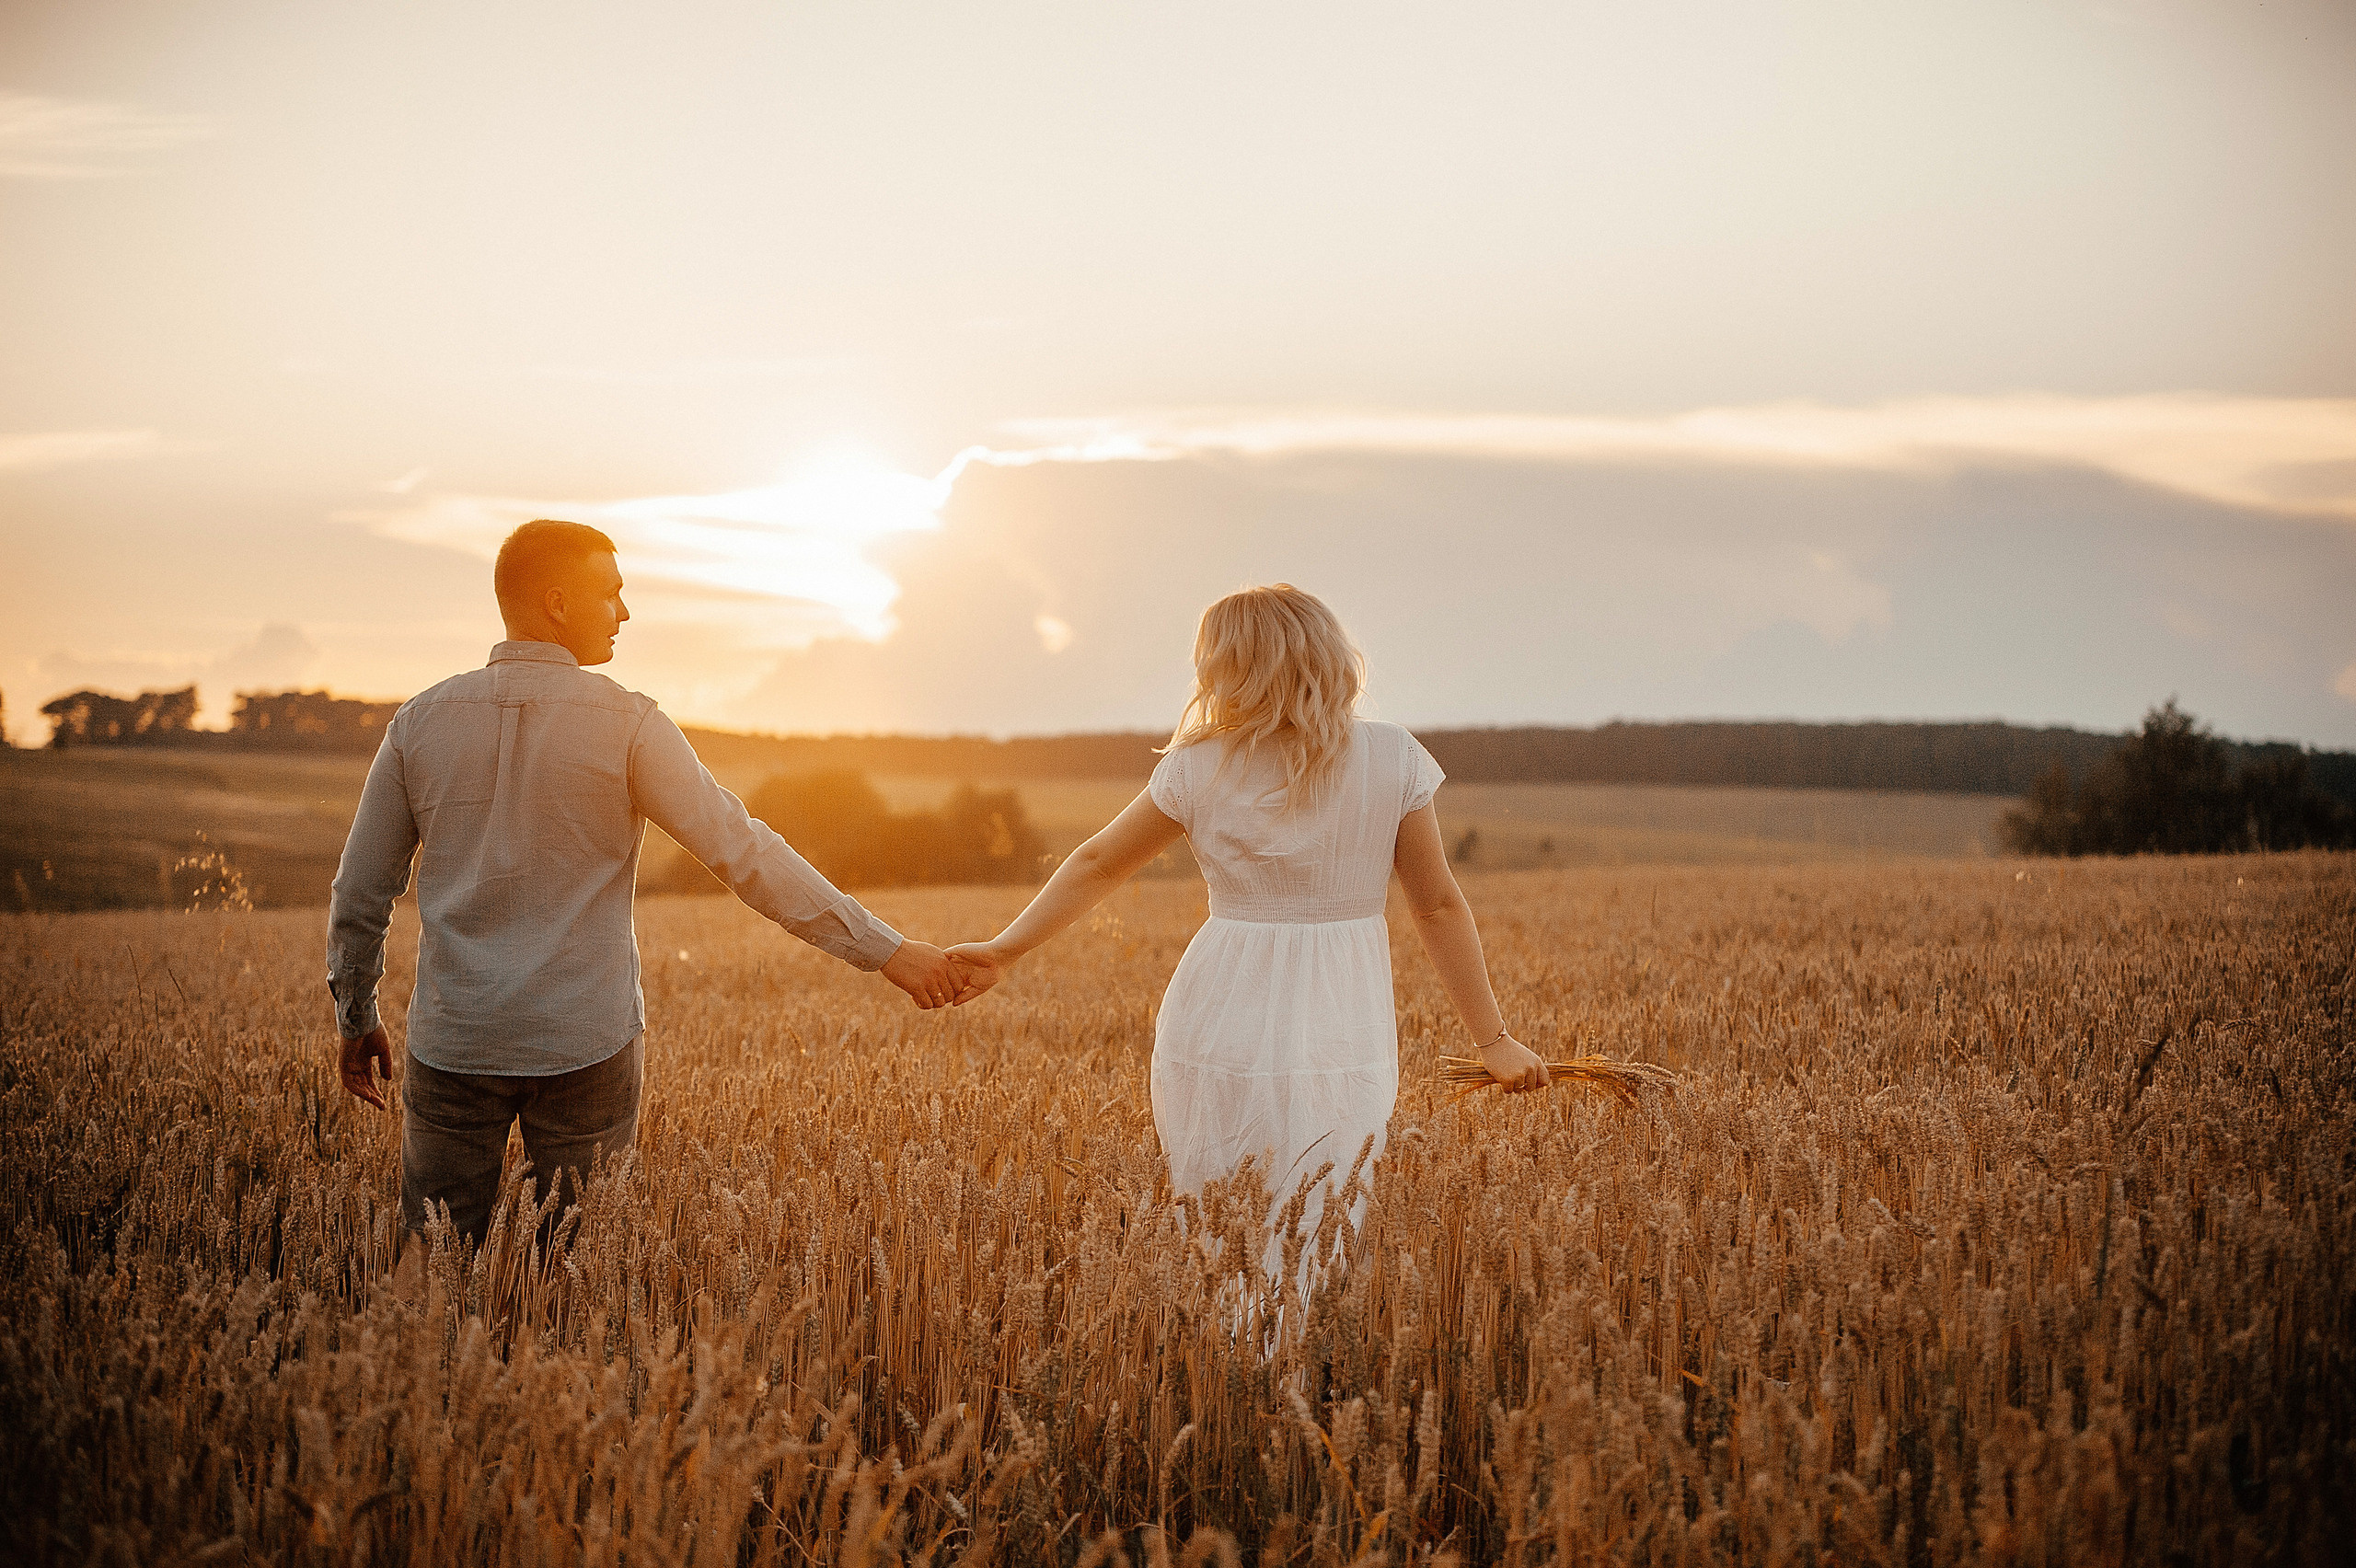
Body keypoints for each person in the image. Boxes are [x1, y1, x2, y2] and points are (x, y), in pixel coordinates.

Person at [327, 519, 964, 1244]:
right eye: (611, 593)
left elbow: (360, 892)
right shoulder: (628, 723)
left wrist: (356, 1015)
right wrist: (887, 951)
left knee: (433, 1266)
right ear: (558, 603)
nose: (624, 612)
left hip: (454, 1042)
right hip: (586, 1046)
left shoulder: (418, 723)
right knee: (574, 1273)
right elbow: (744, 853)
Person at [945, 584, 1548, 1276]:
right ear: (1328, 656)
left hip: (1219, 1010)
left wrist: (1007, 949)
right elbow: (1437, 905)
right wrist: (1493, 1040)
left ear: (1228, 668)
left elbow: (1097, 863)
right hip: (1341, 1016)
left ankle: (1234, 1341)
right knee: (1321, 1212)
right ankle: (1279, 1341)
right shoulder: (1393, 757)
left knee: (1221, 1220)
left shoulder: (1197, 764)